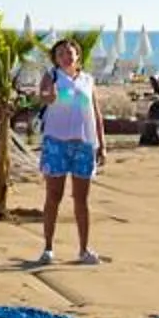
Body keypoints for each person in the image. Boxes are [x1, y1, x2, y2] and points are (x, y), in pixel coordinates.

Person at [35, 38, 104, 265]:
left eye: (69, 52)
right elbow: (43, 95)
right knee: (53, 196)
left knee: (81, 199)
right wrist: (50, 96)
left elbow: (96, 113)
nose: (66, 56)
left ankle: (84, 250)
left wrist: (102, 145)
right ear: (56, 59)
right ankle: (48, 248)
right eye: (61, 53)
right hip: (56, 143)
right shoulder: (52, 76)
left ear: (78, 55)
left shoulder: (87, 80)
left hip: (83, 144)